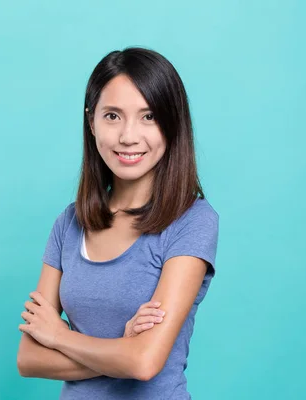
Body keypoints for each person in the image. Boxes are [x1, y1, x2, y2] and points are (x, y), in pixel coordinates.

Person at [16, 46, 220, 399]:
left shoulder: (193, 221)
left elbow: (143, 363)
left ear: (172, 124)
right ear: (91, 122)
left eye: (149, 116)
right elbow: (29, 358)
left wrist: (60, 337)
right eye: (112, 116)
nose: (128, 136)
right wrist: (121, 349)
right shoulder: (69, 224)